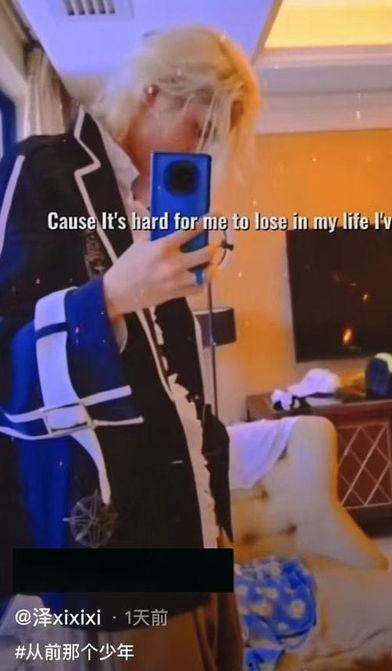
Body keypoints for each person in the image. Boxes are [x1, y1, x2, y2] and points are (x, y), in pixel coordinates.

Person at [0, 26, 260, 670]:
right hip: (116, 549)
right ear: (153, 93)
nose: (201, 152)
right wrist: (108, 298)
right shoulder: (43, 172)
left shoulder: (142, 210)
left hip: (193, 527)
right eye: (199, 128)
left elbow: (171, 384)